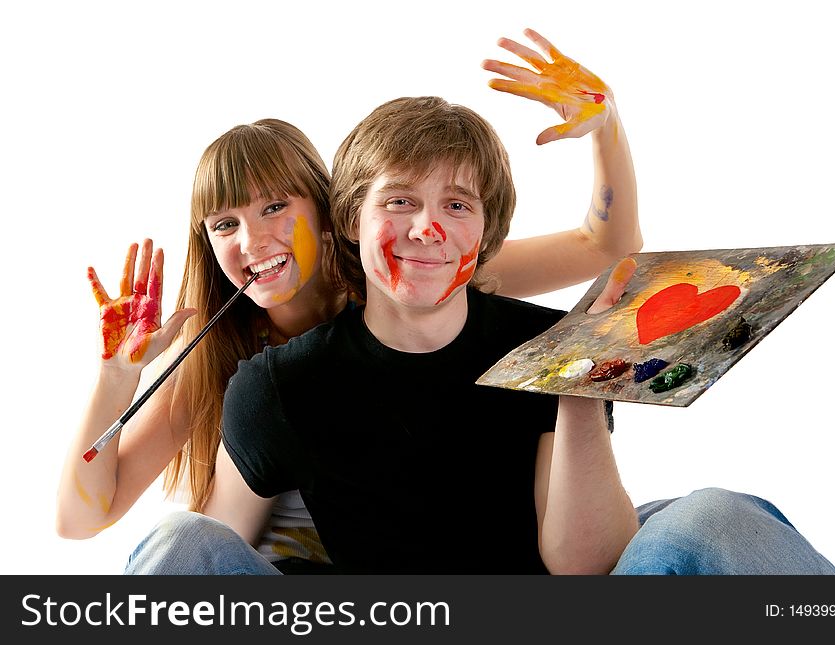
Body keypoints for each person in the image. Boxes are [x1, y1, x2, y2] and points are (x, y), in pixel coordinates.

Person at [124, 39, 835, 574]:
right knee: (177, 539)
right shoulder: (276, 384)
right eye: (399, 201)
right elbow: (210, 555)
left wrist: (578, 380)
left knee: (714, 514)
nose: (426, 229)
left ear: (484, 231)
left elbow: (586, 565)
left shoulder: (548, 342)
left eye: (456, 205)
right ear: (349, 217)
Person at [57, 29, 642, 570]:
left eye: (274, 208)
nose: (253, 241)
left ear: (329, 208)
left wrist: (606, 124)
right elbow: (80, 520)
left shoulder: (413, 271)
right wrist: (115, 378)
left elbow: (605, 244)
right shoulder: (227, 357)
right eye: (224, 224)